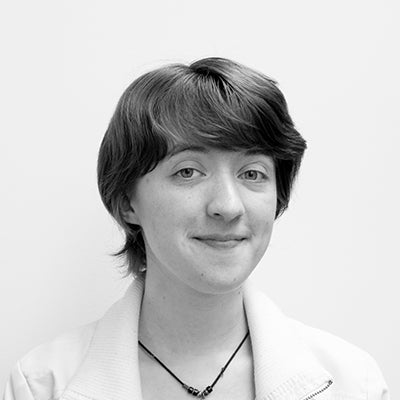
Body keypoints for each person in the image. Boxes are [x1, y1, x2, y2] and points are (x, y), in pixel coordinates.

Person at [4, 57, 390, 400]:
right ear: (126, 202)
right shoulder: (42, 385)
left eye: (252, 173)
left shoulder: (354, 384)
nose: (228, 206)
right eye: (188, 172)